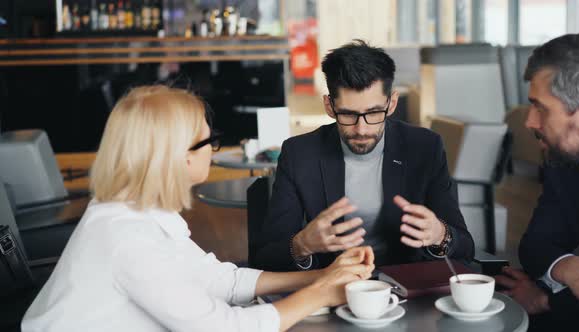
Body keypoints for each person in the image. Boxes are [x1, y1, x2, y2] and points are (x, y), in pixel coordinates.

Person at [20, 85, 375, 332]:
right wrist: (321, 294)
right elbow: (224, 328)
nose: (214, 150)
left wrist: (320, 277)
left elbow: (221, 280)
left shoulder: (136, 209)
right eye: (210, 141)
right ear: (181, 155)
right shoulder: (125, 236)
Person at [252, 40, 474, 272]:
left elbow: (465, 248)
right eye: (348, 114)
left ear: (392, 103)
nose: (361, 129)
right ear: (329, 106)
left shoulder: (425, 147)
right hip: (332, 284)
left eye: (374, 113)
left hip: (405, 284)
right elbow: (266, 256)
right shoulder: (299, 154)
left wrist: (440, 234)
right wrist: (302, 244)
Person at [495, 32, 579, 329]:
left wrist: (547, 300)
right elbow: (537, 246)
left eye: (541, 107)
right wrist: (570, 268)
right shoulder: (564, 164)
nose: (530, 122)